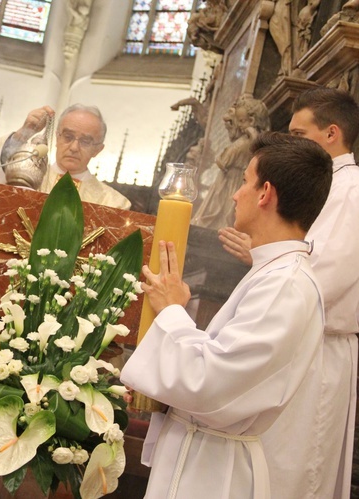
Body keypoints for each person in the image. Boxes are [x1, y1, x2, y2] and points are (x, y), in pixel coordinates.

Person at [121, 132, 333, 498]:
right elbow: (228, 363)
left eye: (244, 182)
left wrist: (172, 311)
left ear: (265, 193)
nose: (235, 194)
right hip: (202, 456)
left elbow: (212, 383)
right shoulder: (272, 273)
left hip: (213, 475)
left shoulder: (285, 285)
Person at [219, 87, 359, 498]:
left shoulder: (350, 191)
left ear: (332, 133)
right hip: (297, 340)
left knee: (296, 469)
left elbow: (326, 280)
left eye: (299, 134)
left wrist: (264, 253)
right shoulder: (328, 184)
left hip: (318, 347)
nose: (289, 142)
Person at [0, 104, 131, 209]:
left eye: (85, 141)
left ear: (98, 150)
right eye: (68, 137)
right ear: (57, 137)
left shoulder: (113, 203)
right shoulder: (23, 175)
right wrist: (24, 133)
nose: (74, 147)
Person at [192, 94, 270, 230]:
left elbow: (222, 162)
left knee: (223, 207)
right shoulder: (248, 143)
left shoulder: (242, 144)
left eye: (240, 120)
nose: (237, 125)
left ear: (251, 121)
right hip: (234, 180)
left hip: (230, 182)